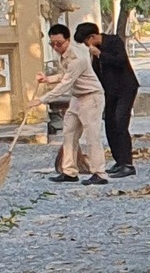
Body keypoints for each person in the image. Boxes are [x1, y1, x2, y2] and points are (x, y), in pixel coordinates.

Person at [37, 22, 109, 185]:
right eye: (52, 44)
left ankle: (99, 172)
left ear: (68, 40)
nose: (56, 47)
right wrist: (48, 79)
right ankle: (69, 171)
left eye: (59, 43)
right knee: (69, 133)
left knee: (92, 136)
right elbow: (65, 75)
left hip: (91, 97)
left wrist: (42, 99)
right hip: (77, 98)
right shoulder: (64, 56)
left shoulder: (78, 58)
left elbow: (66, 84)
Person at [83, 22, 139, 177]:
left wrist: (100, 55)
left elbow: (120, 61)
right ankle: (119, 161)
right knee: (110, 124)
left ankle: (128, 164)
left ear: (92, 37)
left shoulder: (114, 41)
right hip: (110, 91)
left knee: (121, 122)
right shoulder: (95, 52)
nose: (87, 45)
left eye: (86, 41)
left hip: (125, 88)